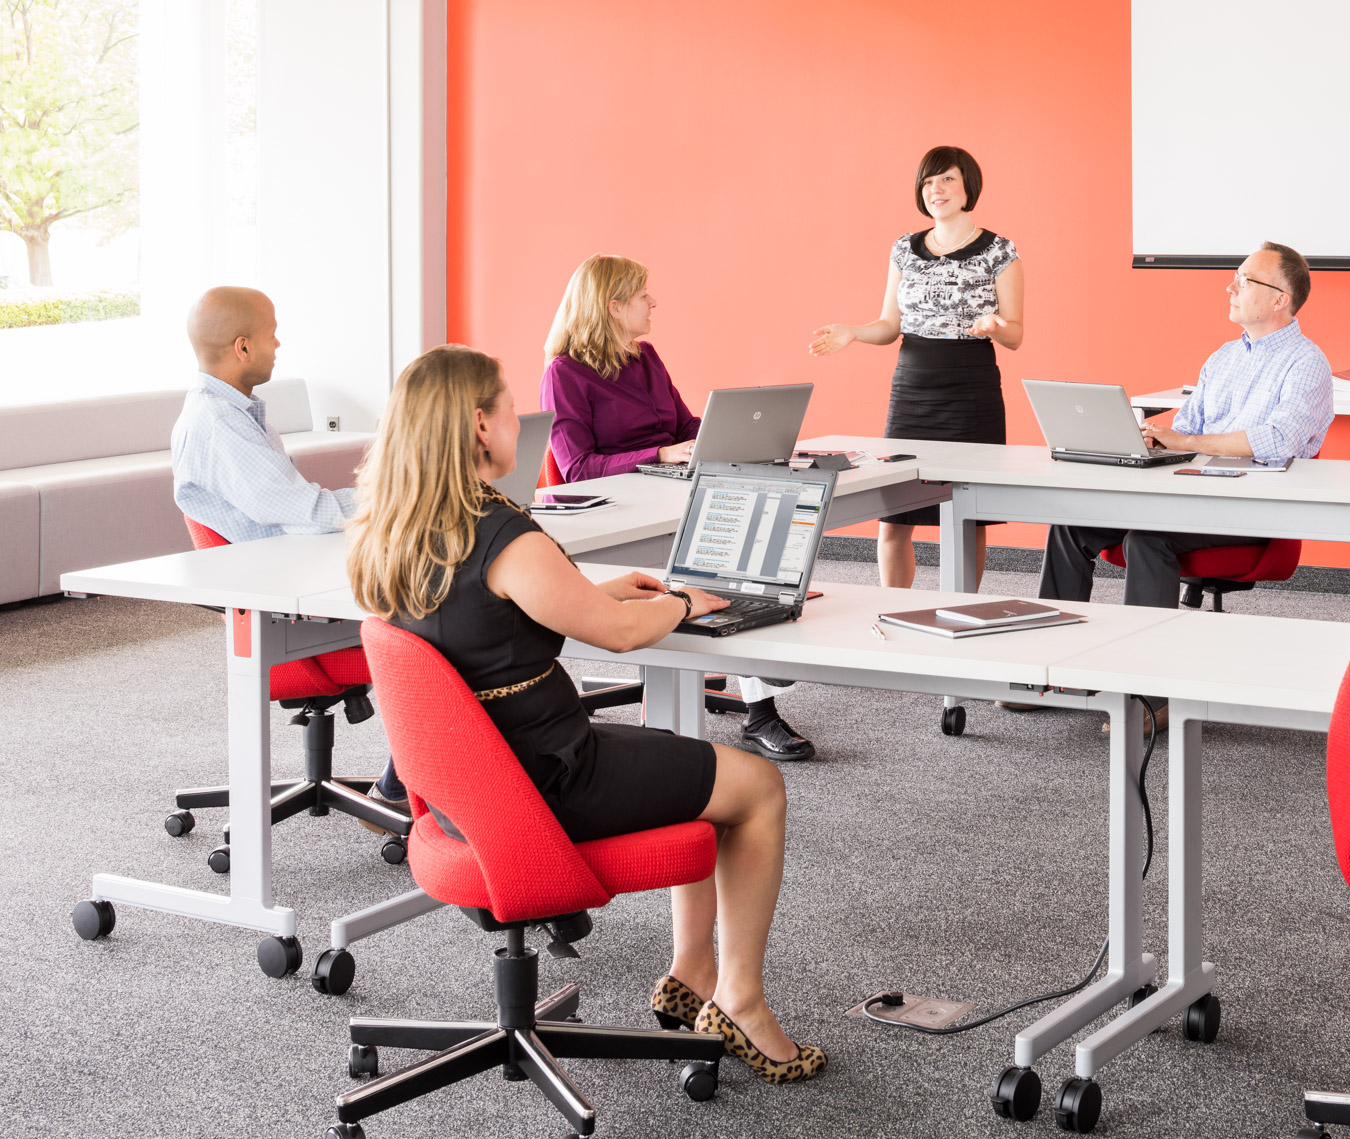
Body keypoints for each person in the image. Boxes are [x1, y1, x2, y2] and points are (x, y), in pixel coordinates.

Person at [345, 343, 826, 1083]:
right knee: (756, 786)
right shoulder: (499, 533)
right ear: (479, 424)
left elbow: (485, 612)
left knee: (683, 757)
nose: (522, 421)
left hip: (470, 788)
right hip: (547, 782)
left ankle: (693, 971)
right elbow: (624, 636)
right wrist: (684, 601)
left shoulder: (394, 528)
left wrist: (591, 591)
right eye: (511, 408)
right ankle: (741, 1001)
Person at [1037, 241, 1334, 730]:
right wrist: (1150, 442)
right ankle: (1050, 673)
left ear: (1280, 298)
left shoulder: (1307, 364)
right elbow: (1185, 429)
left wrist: (1186, 440)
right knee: (1072, 525)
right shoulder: (1223, 357)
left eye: (1244, 280)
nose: (1230, 287)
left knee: (1148, 539)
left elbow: (1278, 441)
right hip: (1189, 493)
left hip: (1251, 507)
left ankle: (1148, 693)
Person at [542, 254, 815, 763]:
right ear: (613, 306)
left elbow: (685, 425)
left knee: (748, 534)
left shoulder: (645, 356)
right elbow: (577, 467)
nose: (653, 303)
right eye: (643, 295)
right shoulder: (565, 372)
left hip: (670, 488)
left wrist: (728, 437)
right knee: (723, 562)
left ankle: (758, 677)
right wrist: (660, 454)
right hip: (616, 507)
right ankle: (759, 704)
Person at [170, 286, 408, 813]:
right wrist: (395, 499)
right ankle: (401, 789)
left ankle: (416, 783)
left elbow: (296, 512)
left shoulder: (236, 415)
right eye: (272, 334)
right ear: (243, 347)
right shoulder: (219, 424)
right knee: (443, 628)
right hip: (289, 615)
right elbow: (309, 512)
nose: (278, 344)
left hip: (297, 579)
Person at [810, 145, 1024, 590]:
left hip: (971, 390)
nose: (936, 189)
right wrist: (853, 332)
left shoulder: (999, 250)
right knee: (894, 516)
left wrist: (995, 326)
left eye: (946, 179)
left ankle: (960, 609)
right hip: (912, 390)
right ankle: (889, 608)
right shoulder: (904, 249)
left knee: (967, 515)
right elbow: (890, 326)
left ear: (968, 187)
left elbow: (1016, 334)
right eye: (927, 182)